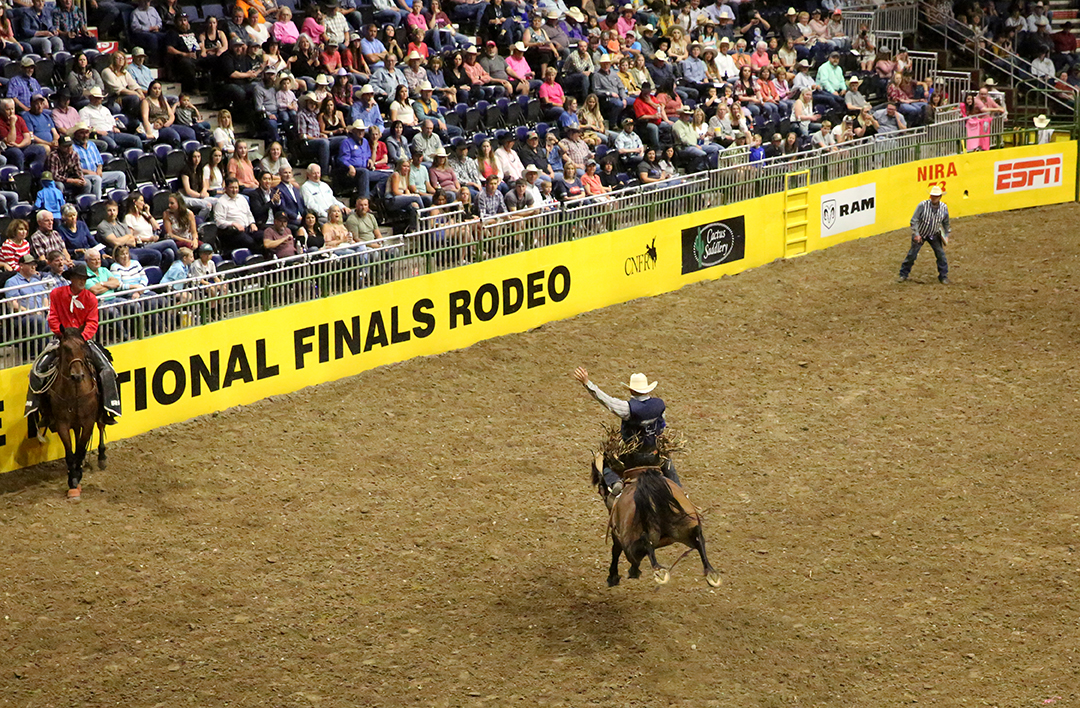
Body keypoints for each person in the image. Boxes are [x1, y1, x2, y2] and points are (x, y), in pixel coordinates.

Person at [25, 262, 122, 442]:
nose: (83, 281)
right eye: (80, 278)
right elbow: (53, 316)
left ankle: (109, 408)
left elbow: (93, 322)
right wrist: (61, 335)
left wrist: (81, 338)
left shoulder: (90, 298)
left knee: (107, 369)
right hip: (61, 339)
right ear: (72, 279)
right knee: (37, 369)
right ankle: (38, 410)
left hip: (83, 340)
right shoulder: (57, 294)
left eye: (85, 279)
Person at [572, 367, 680, 500]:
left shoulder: (627, 409)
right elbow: (662, 424)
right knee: (667, 460)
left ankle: (615, 482)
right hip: (654, 455)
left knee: (604, 459)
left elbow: (606, 401)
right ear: (647, 389)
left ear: (631, 390)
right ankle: (679, 490)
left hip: (632, 458)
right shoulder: (659, 404)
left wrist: (587, 383)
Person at [898, 185, 950, 285]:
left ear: (940, 197)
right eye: (933, 196)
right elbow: (914, 220)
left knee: (941, 255)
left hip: (934, 234)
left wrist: (946, 234)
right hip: (921, 233)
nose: (934, 198)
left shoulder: (944, 208)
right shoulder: (922, 205)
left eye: (936, 196)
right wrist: (916, 234)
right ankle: (903, 274)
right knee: (912, 255)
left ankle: (943, 276)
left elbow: (946, 222)